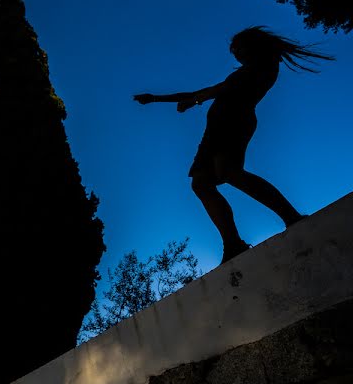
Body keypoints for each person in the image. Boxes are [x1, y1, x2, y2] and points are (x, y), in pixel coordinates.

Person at [133, 26, 333, 263]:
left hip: (234, 122)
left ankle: (290, 216)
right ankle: (233, 244)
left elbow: (213, 91)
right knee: (201, 183)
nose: (235, 53)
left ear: (253, 45)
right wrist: (157, 99)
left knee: (230, 172)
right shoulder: (247, 70)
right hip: (214, 131)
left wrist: (192, 99)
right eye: (233, 50)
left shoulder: (262, 68)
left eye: (238, 48)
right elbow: (204, 92)